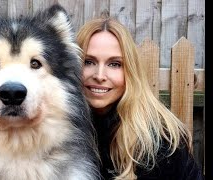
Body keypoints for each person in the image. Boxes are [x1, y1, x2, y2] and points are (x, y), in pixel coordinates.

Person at [76, 17, 204, 180]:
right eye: (88, 62)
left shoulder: (159, 140)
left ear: (130, 70)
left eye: (114, 64)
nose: (99, 76)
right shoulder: (56, 131)